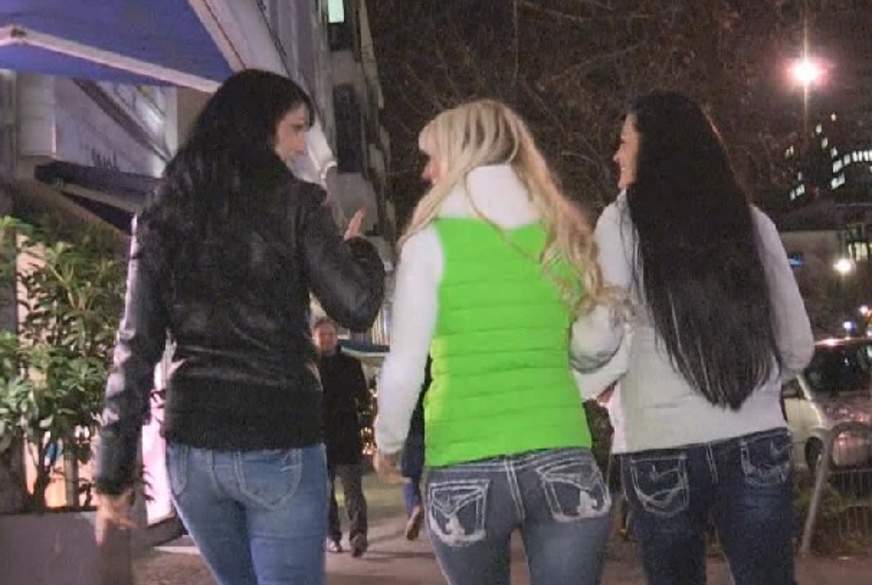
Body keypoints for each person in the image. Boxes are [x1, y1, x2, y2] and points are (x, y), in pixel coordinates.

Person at [93, 69, 385, 585]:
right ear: (260, 125)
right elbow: (358, 306)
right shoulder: (296, 202)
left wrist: (112, 471)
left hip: (193, 449)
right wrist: (357, 250)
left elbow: (136, 346)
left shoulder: (164, 209)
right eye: (296, 129)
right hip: (277, 435)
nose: (301, 147)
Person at [571, 91, 814, 585]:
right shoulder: (750, 221)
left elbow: (596, 335)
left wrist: (591, 374)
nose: (616, 155)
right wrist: (762, 387)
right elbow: (797, 345)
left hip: (659, 442)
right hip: (754, 434)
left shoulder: (621, 222)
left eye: (625, 142)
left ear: (655, 148)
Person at [374, 99, 612, 585]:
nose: (426, 172)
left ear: (463, 154)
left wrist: (388, 442)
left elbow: (405, 366)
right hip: (559, 449)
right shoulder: (562, 233)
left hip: (464, 461)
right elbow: (596, 343)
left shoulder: (429, 242)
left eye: (433, 157)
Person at [312, 316, 370, 557]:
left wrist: (363, 420)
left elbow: (363, 398)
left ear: (337, 337)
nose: (326, 339)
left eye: (330, 335)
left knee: (353, 491)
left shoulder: (351, 364)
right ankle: (332, 536)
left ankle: (358, 535)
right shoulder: (309, 367)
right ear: (314, 338)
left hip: (347, 436)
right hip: (318, 438)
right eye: (322, 335)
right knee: (325, 493)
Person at [399, 356, 431, 541]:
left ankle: (415, 506)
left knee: (409, 476)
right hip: (436, 425)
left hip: (413, 428)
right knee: (437, 474)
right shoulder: (436, 361)